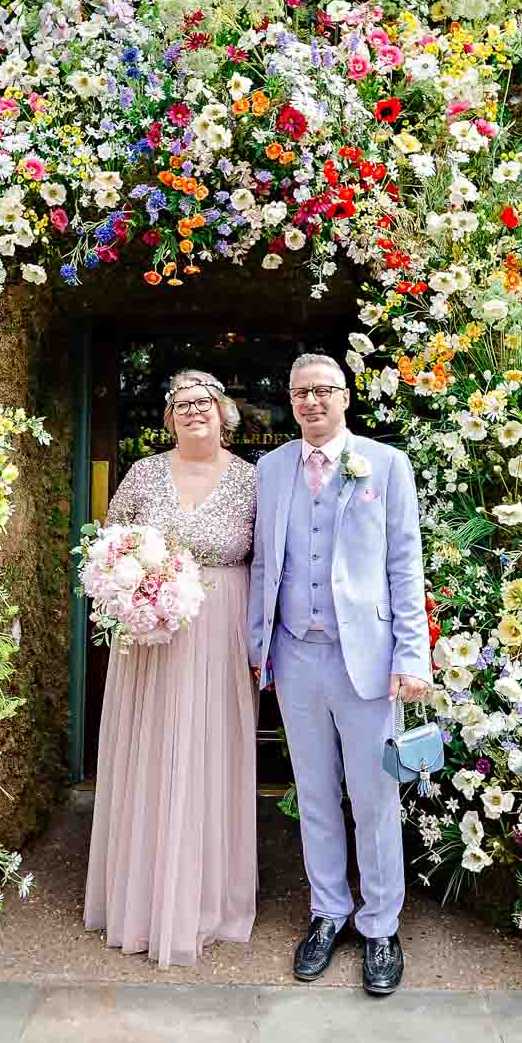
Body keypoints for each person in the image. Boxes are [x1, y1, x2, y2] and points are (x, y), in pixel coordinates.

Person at [248, 353, 430, 995]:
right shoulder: (271, 469)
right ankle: (328, 913)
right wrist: (257, 649)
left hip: (369, 661)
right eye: (301, 392)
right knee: (316, 793)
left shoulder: (384, 465)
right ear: (291, 400)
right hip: (296, 656)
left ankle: (381, 926)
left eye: (323, 390)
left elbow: (405, 565)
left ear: (346, 397)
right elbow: (266, 565)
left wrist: (412, 657)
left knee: (375, 798)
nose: (312, 402)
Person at [84, 369, 259, 966]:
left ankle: (208, 898)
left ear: (223, 413)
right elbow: (108, 548)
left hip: (221, 631)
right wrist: (131, 591)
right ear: (168, 416)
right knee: (153, 752)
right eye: (181, 404)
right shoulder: (141, 474)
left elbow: (271, 561)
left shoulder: (251, 481)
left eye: (204, 403)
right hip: (151, 638)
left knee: (210, 752)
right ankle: (142, 898)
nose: (193, 413)